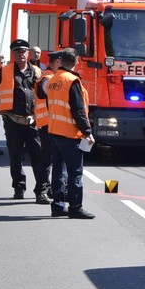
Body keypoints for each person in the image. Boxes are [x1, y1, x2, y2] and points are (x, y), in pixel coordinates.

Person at [0, 39, 49, 203]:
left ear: (29, 53)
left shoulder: (38, 72)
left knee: (39, 157)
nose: (22, 54)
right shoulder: (4, 71)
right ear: (13, 54)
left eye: (25, 51)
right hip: (13, 121)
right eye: (18, 51)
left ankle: (41, 191)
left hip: (33, 121)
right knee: (15, 157)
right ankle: (19, 187)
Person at [41, 48, 95, 219]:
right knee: (75, 172)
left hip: (54, 130)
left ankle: (57, 206)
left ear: (61, 61)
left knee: (58, 171)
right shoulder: (73, 81)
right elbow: (78, 110)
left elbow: (51, 105)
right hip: (70, 133)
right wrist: (87, 132)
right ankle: (75, 208)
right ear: (76, 61)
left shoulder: (53, 79)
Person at [33, 51, 59, 199]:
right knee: (47, 159)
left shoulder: (51, 77)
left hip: (53, 124)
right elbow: (46, 93)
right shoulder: (48, 78)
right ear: (56, 62)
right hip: (48, 124)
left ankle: (48, 188)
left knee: (52, 159)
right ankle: (41, 190)